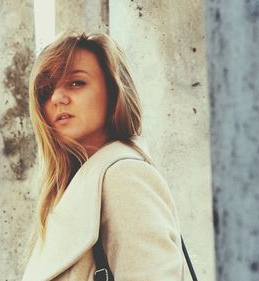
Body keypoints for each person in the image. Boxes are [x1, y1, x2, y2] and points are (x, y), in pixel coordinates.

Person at [22, 31, 185, 281]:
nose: (57, 98)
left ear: (113, 90)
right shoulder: (73, 187)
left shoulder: (123, 175)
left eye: (76, 82)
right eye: (46, 90)